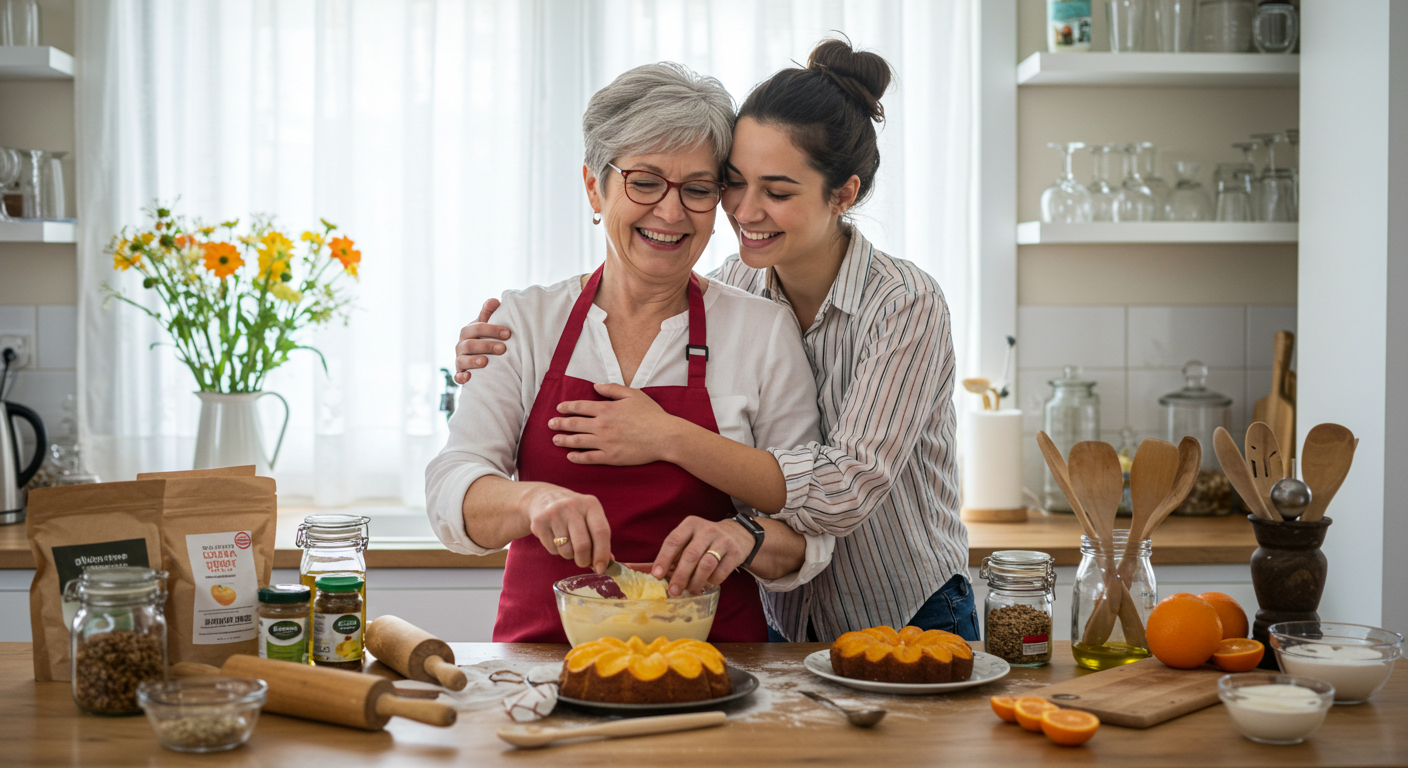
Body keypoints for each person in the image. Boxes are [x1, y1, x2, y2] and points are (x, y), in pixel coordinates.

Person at [453, 39, 976, 644]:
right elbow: (458, 479)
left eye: (775, 192)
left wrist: (666, 435)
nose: (742, 211)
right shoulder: (737, 286)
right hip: (785, 623)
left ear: (843, 195)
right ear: (596, 188)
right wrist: (500, 352)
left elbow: (844, 488)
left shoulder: (900, 303)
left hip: (904, 603)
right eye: (732, 184)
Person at [425, 62, 831, 644]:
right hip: (543, 662)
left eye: (697, 189)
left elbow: (808, 535)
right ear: (595, 186)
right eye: (644, 182)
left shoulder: (761, 332)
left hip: (714, 664)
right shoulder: (525, 323)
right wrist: (531, 500)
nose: (670, 212)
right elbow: (453, 489)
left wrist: (746, 537)